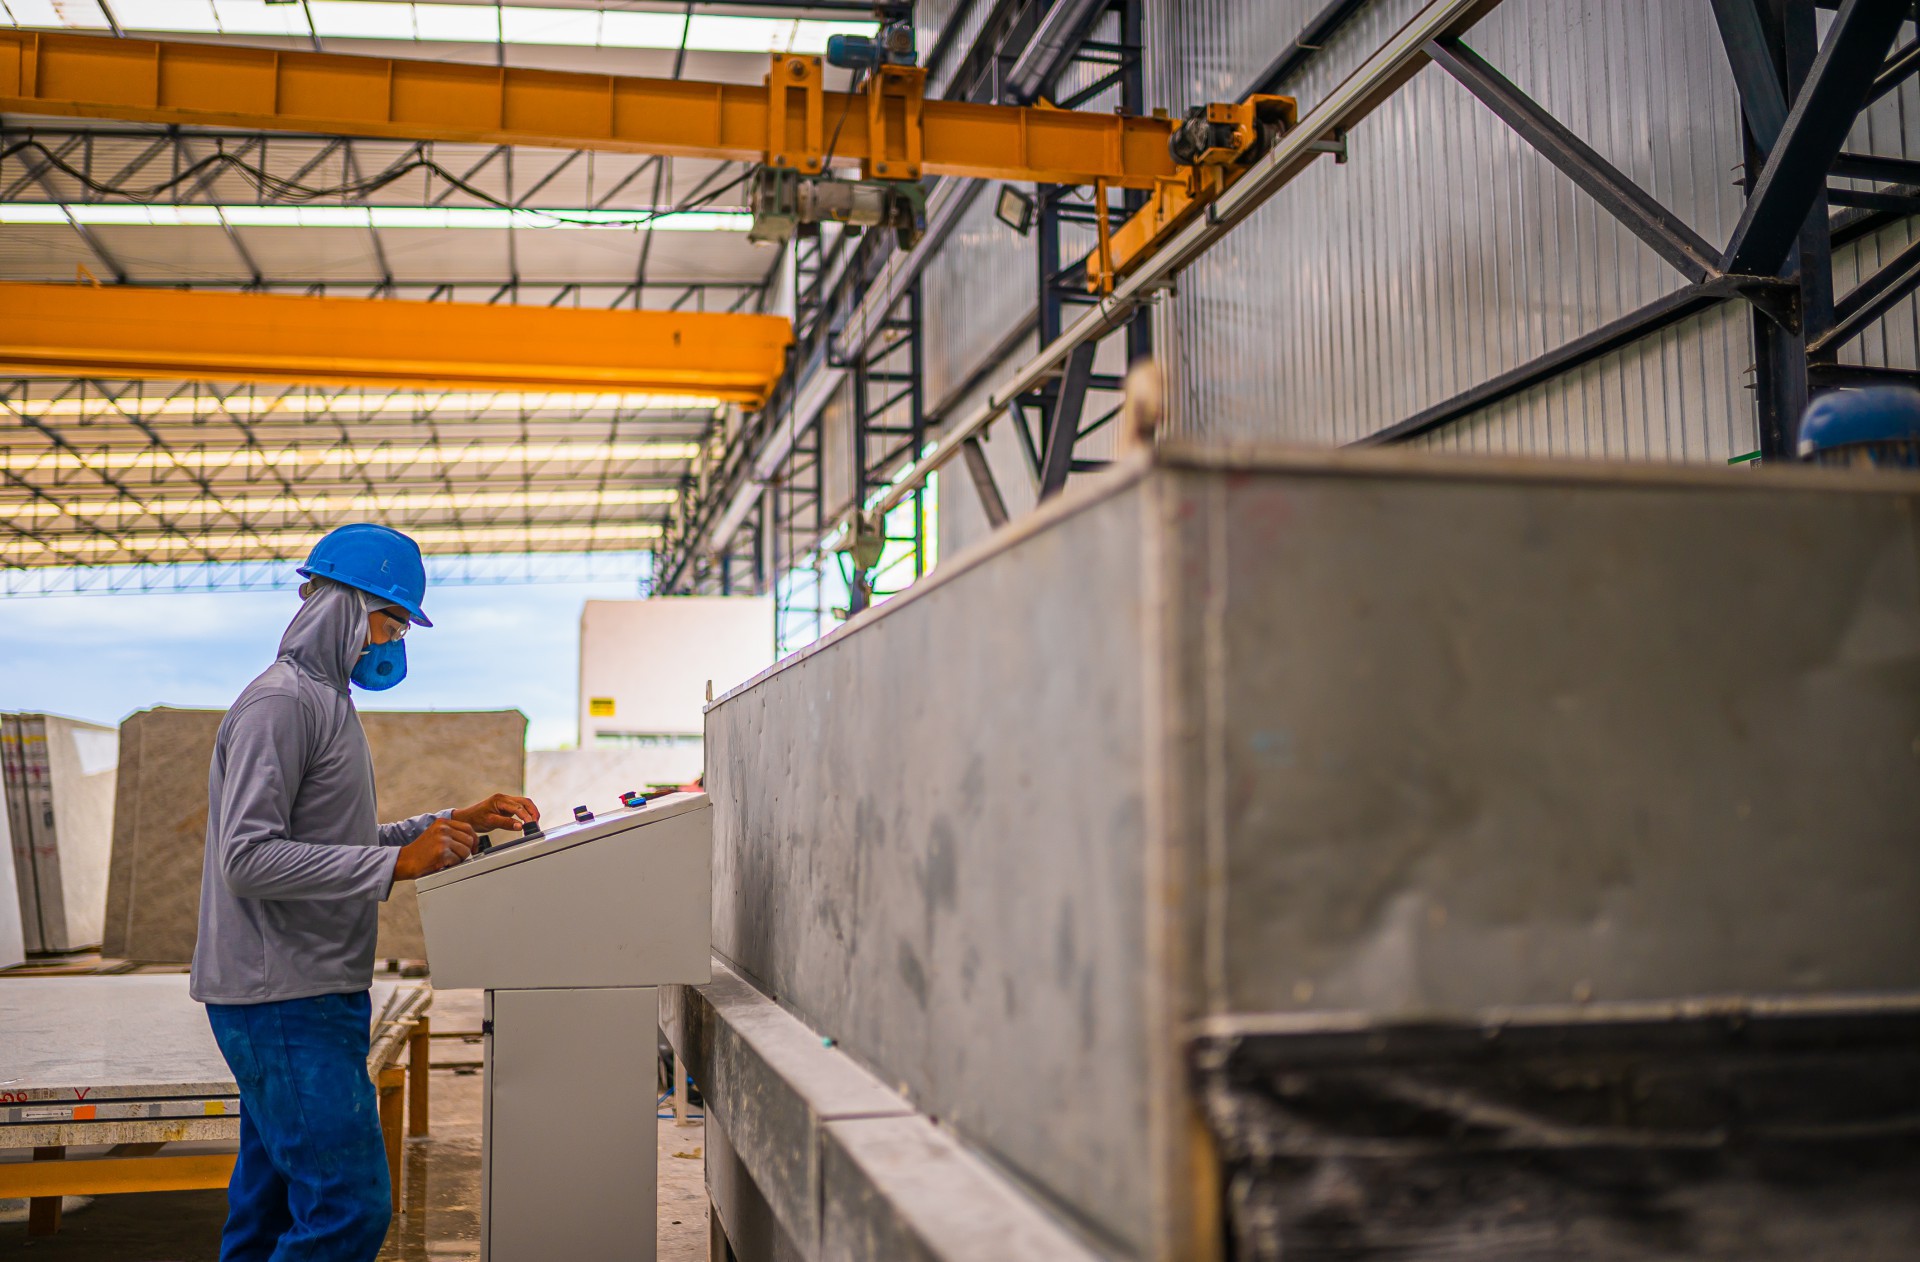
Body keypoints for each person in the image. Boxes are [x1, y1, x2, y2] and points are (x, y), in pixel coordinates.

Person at [189, 523, 539, 1261]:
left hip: (306, 991)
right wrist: (396, 867)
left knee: (269, 1206)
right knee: (350, 1209)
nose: (395, 641)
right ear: (346, 607)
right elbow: (247, 860)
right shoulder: (280, 704)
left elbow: (329, 842)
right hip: (282, 999)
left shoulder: (326, 703)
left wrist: (447, 823)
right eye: (394, 620)